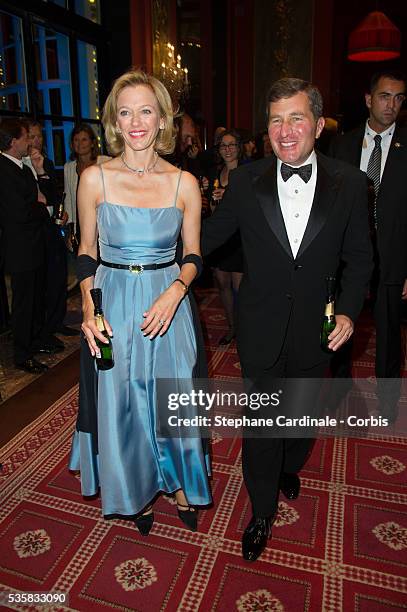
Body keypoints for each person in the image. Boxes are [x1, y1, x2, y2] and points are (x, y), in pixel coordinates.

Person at [202, 78, 373, 561]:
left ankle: (289, 464)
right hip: (259, 326)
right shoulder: (244, 181)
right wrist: (154, 249)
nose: (285, 129)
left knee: (300, 416)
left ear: (318, 125)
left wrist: (347, 309)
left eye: (296, 117)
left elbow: (361, 259)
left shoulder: (351, 183)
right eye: (276, 119)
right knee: (260, 426)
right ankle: (260, 511)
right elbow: (209, 236)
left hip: (317, 330)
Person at [68, 70, 211, 534]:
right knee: (124, 400)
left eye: (145, 110)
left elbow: (192, 255)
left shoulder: (183, 182)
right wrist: (89, 308)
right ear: (114, 120)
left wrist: (177, 289)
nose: (136, 121)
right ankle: (137, 489)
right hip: (113, 301)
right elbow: (86, 250)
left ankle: (179, 483)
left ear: (162, 118)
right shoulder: (94, 178)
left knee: (174, 395)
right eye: (125, 111)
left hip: (167, 300)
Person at [329, 70, 407, 423]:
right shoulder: (342, 145)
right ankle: (340, 386)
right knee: (341, 324)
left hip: (393, 257)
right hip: (347, 257)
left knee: (389, 333)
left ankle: (388, 402)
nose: (392, 105)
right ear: (368, 99)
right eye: (385, 96)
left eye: (399, 98)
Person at [0, 118, 52, 373]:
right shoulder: (4, 170)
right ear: (13, 142)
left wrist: (40, 203)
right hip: (20, 249)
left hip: (32, 245)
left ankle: (33, 343)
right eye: (25, 138)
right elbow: (21, 212)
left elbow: (40, 198)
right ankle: (22, 354)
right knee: (22, 304)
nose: (29, 142)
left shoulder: (20, 166)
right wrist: (41, 207)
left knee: (33, 299)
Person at [25, 120, 78, 341]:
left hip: (53, 228)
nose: (36, 141)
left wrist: (61, 213)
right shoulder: (18, 165)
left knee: (58, 277)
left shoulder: (46, 162)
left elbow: (54, 196)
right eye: (32, 136)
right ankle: (44, 328)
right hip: (34, 233)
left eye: (39, 136)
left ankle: (57, 322)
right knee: (42, 283)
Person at [207, 129, 244, 344]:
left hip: (239, 238)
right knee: (222, 284)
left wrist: (228, 196)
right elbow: (213, 210)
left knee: (240, 288)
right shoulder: (216, 174)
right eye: (223, 145)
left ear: (239, 148)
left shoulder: (247, 173)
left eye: (231, 145)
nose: (227, 149)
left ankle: (243, 327)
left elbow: (249, 209)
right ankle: (232, 327)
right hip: (221, 238)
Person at [64, 123, 110, 246]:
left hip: (104, 225)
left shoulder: (106, 163)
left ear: (92, 143)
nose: (80, 144)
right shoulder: (68, 167)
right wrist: (71, 232)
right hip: (81, 224)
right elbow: (69, 200)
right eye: (76, 140)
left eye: (84, 139)